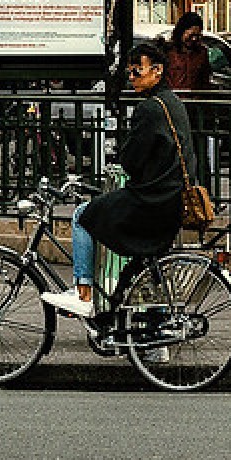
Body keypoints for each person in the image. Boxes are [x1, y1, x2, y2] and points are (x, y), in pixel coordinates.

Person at [41, 40, 193, 317]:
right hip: (170, 200)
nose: (132, 77)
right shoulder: (173, 103)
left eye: (138, 71)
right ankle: (149, 337)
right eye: (130, 71)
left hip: (150, 201)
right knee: (138, 270)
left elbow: (131, 161)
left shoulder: (149, 110)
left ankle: (83, 292)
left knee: (82, 215)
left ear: (157, 71)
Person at [163, 11, 212, 91]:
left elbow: (205, 81)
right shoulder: (168, 52)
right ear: (181, 32)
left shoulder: (202, 53)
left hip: (195, 100)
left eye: (197, 36)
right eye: (191, 35)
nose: (194, 39)